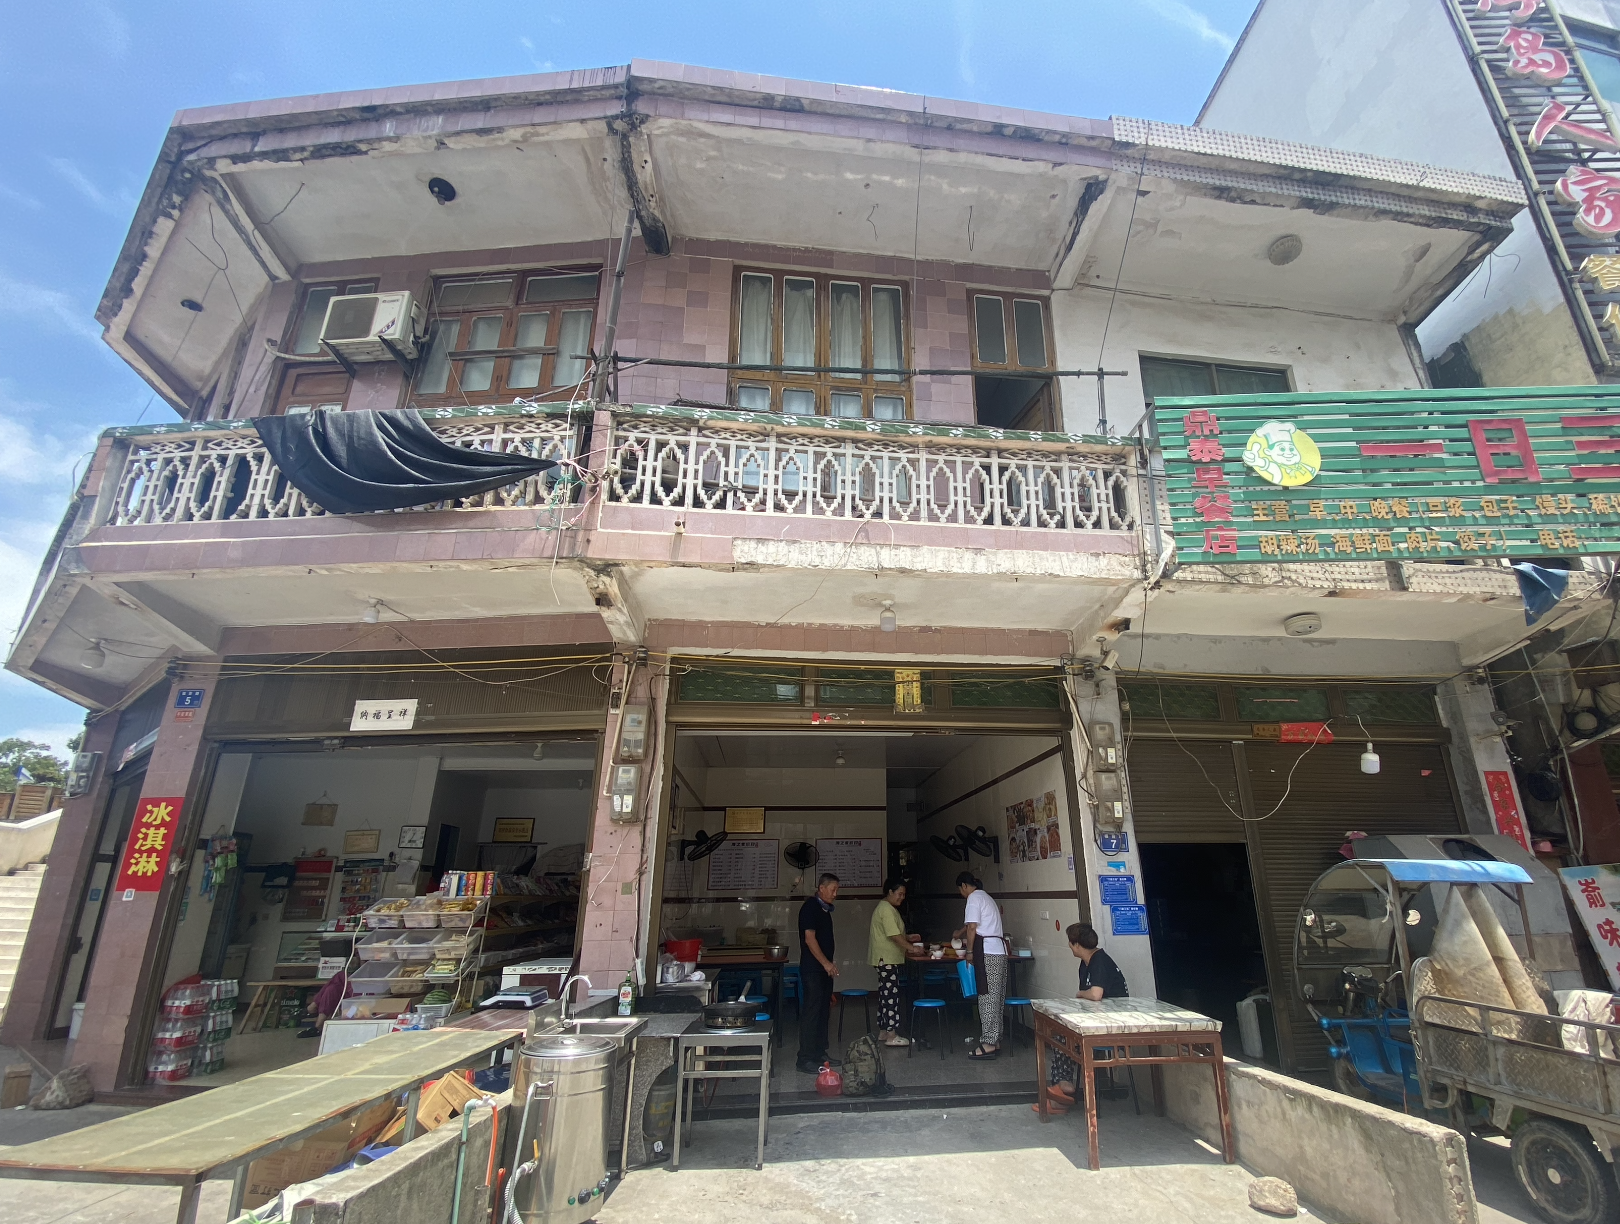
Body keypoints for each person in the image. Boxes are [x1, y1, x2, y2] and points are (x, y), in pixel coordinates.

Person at [1045, 922, 1130, 1107]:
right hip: (1097, 1019)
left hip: (1112, 1026)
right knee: (1059, 1032)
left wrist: (1080, 994)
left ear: (1076, 944)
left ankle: (1063, 1087)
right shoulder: (1086, 964)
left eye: (1070, 942)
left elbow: (1095, 994)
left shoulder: (1099, 961)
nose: (1069, 946)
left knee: (1063, 1037)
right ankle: (1060, 1090)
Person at [952, 871, 1009, 1060]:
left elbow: (972, 927)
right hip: (998, 951)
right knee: (997, 997)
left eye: (960, 889)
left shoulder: (973, 898)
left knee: (987, 996)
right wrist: (960, 933)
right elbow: (973, 924)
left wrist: (969, 951)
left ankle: (988, 1043)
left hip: (987, 952)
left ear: (964, 886)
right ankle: (996, 1039)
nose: (961, 893)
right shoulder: (986, 897)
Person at [869, 876, 922, 1047]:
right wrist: (911, 948)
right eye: (899, 894)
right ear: (890, 892)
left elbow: (893, 933)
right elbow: (893, 935)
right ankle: (892, 1035)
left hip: (884, 958)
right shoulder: (886, 909)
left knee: (885, 995)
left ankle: (884, 1031)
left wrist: (908, 937)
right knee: (891, 996)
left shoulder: (886, 908)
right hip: (887, 959)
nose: (902, 897)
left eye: (904, 894)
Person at [797, 872, 841, 1074]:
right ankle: (805, 1058)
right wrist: (825, 963)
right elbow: (810, 939)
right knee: (812, 1012)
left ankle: (819, 1053)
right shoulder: (810, 908)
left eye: (837, 890)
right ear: (821, 888)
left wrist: (829, 964)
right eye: (832, 889)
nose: (835, 893)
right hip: (813, 969)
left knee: (824, 1010)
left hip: (824, 970)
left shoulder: (825, 910)